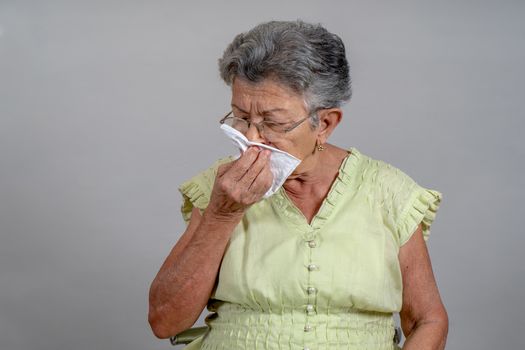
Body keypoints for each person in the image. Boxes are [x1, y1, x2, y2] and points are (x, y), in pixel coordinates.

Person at [148, 20, 448, 350]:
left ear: (326, 124)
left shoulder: (388, 192)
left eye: (272, 123)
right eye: (241, 117)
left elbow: (428, 320)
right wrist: (221, 215)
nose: (251, 139)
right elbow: (165, 321)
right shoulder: (221, 187)